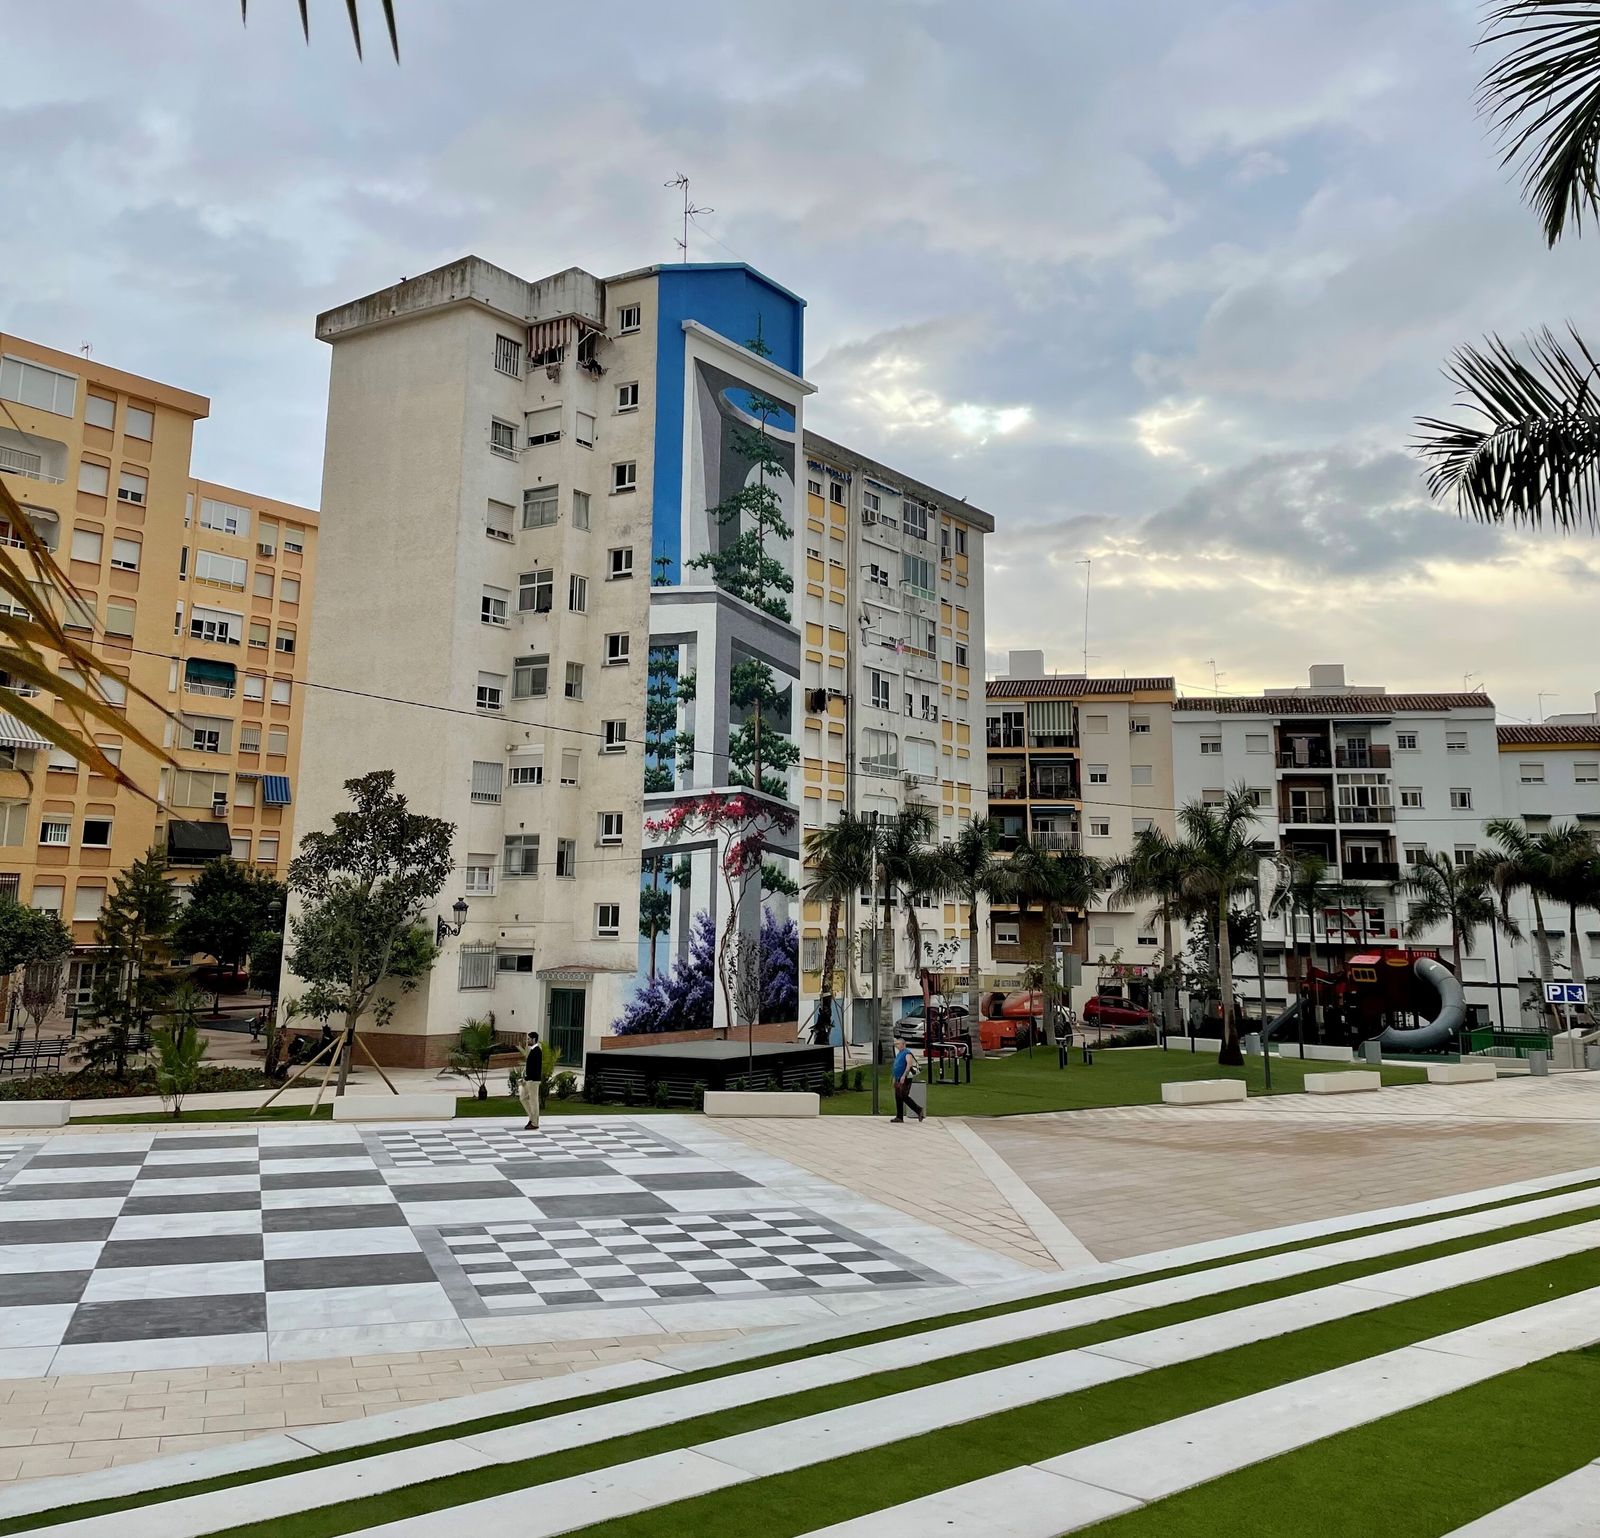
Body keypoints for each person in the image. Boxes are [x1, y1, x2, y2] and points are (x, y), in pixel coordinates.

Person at [891, 1038, 924, 1124]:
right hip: (898, 1077)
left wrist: (903, 1076)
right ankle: (899, 1116)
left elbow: (909, 1065)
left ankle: (918, 1109)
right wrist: (894, 1078)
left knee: (903, 1095)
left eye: (898, 1044)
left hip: (905, 1078)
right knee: (898, 1097)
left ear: (903, 1044)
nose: (897, 1046)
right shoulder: (899, 1054)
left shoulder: (907, 1053)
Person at [519, 1031, 543, 1130]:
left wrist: (529, 1078)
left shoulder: (537, 1051)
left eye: (529, 1039)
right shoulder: (533, 1050)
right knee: (523, 1098)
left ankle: (534, 1123)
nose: (527, 1040)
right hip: (529, 1079)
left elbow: (536, 1069)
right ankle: (531, 1117)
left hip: (533, 1081)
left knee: (533, 1101)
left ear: (533, 1040)